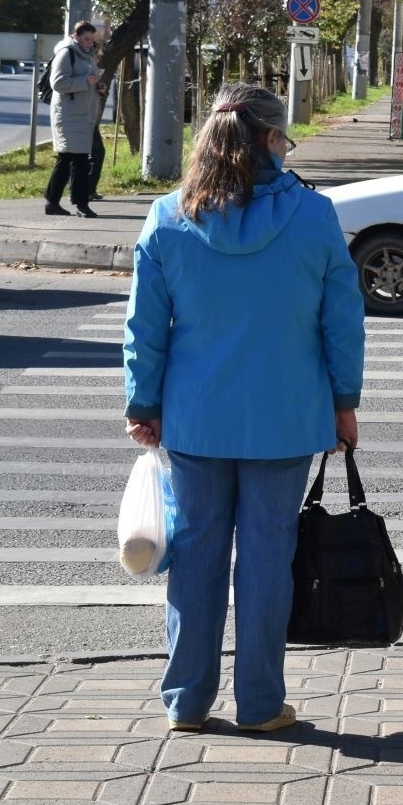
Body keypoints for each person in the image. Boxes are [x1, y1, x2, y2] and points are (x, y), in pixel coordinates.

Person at [122, 83, 365, 735]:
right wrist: (345, 404)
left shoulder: (169, 216)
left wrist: (143, 402)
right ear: (270, 139)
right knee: (266, 561)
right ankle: (260, 704)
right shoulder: (313, 216)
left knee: (196, 557)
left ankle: (186, 703)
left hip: (196, 418)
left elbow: (144, 328)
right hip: (285, 419)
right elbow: (342, 322)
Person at [45, 21, 102, 218]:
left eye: (91, 40)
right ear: (75, 35)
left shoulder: (85, 55)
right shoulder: (66, 53)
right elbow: (58, 83)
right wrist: (86, 81)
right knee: (78, 160)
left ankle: (52, 202)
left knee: (67, 159)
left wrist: (97, 86)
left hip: (81, 114)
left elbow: (91, 78)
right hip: (68, 115)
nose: (89, 43)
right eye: (86, 39)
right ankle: (81, 204)